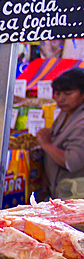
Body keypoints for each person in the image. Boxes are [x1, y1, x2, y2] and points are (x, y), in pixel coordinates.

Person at [37, 67, 84, 199]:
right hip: (59, 192)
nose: (60, 99)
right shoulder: (65, 114)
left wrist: (46, 145)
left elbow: (72, 162)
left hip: (76, 197)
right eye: (57, 94)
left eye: (68, 94)